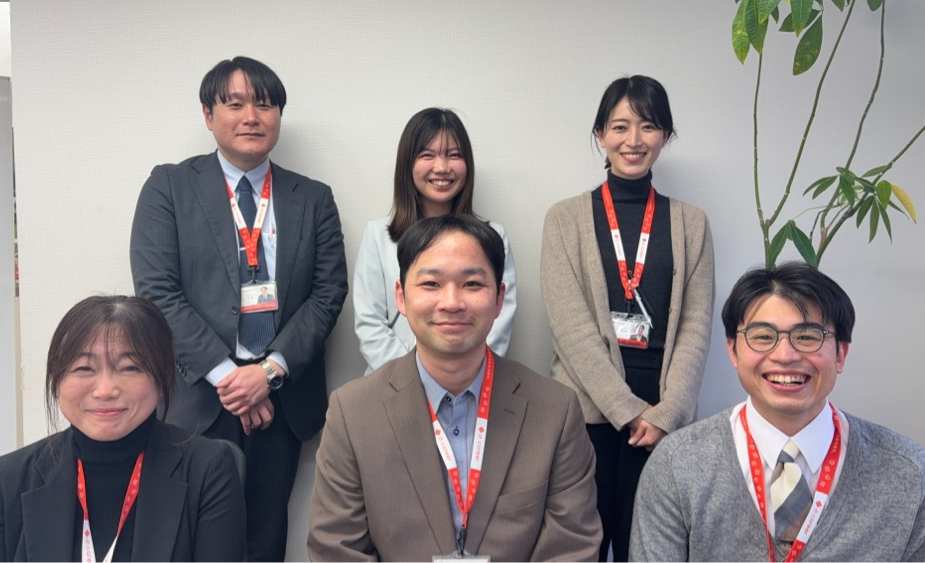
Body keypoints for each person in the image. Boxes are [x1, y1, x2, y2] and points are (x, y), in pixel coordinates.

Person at [129, 56, 348, 561]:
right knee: (187, 537)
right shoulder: (169, 187)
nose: (252, 116)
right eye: (235, 104)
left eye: (264, 104)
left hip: (281, 398)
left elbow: (328, 293)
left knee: (265, 537)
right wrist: (232, 379)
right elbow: (157, 292)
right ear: (208, 115)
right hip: (198, 398)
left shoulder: (313, 198)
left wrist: (268, 373)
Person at [308, 214, 602, 561]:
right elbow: (336, 550)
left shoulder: (555, 411)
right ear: (401, 296)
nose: (451, 302)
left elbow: (572, 548)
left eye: (472, 284)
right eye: (431, 283)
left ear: (499, 298)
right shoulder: (352, 413)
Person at [630, 262, 925, 561]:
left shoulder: (908, 473)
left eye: (807, 336)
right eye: (762, 336)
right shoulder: (677, 465)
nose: (785, 355)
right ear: (733, 350)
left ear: (840, 353)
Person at [540, 75, 715, 561]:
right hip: (588, 412)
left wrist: (667, 412)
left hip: (662, 417)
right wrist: (626, 409)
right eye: (619, 127)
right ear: (600, 135)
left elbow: (696, 326)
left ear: (665, 135)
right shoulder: (564, 219)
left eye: (648, 126)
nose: (633, 140)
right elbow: (570, 327)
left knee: (652, 549)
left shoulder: (692, 223)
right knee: (581, 548)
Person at [0, 296, 246, 562]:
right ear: (57, 381)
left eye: (129, 367)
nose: (105, 390)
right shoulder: (5, 482)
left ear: (162, 379)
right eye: (84, 368)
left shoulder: (208, 470)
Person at [352, 107, 517, 374]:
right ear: (408, 164)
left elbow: (497, 324)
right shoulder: (377, 235)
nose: (442, 167)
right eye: (427, 155)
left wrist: (457, 374)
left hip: (472, 382)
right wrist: (416, 379)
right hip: (392, 382)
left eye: (454, 155)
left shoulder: (493, 237)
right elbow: (369, 324)